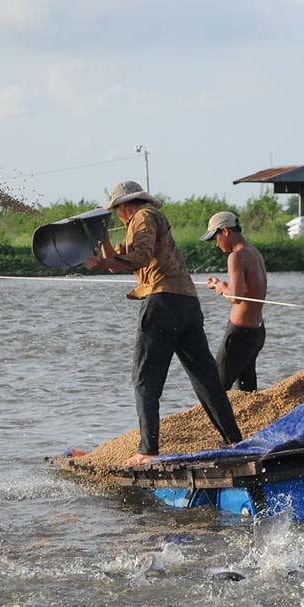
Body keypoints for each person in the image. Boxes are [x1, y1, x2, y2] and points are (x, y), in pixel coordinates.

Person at [83, 180, 242, 468]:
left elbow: (139, 258)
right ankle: (235, 441)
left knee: (145, 379)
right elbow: (118, 262)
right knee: (206, 379)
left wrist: (102, 262)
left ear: (125, 206)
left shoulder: (142, 217)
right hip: (187, 304)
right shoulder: (148, 220)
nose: (118, 216)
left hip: (162, 304)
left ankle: (148, 450)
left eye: (117, 210)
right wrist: (103, 242)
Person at [201, 211, 268, 392]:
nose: (217, 244)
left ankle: (213, 413)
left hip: (240, 333)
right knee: (248, 391)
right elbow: (246, 290)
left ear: (225, 231)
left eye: (216, 238)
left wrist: (219, 286)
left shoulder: (236, 256)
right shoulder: (254, 252)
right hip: (257, 332)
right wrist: (222, 285)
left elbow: (235, 297)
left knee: (215, 388)